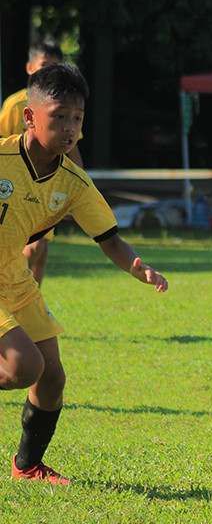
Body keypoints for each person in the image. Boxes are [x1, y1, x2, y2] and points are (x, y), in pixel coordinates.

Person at [0, 63, 168, 485]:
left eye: (77, 118)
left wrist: (137, 266)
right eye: (58, 116)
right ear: (30, 117)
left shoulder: (74, 182)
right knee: (23, 368)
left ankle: (28, 467)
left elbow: (110, 239)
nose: (70, 127)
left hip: (13, 278)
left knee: (51, 377)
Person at [0, 41, 85, 286]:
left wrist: (80, 191)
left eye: (55, 67)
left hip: (45, 188)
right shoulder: (14, 105)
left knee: (41, 250)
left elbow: (73, 152)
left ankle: (28, 306)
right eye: (44, 66)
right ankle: (9, 290)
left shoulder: (64, 108)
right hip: (14, 189)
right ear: (29, 67)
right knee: (35, 245)